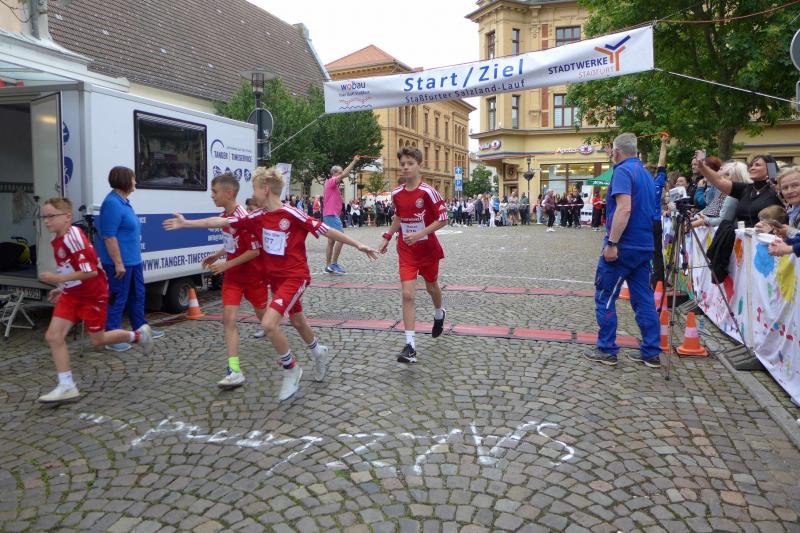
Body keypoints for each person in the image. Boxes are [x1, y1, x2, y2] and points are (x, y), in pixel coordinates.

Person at [164, 167, 379, 401]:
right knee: (297, 321)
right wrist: (186, 224)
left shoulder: (292, 214)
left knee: (268, 324)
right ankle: (319, 351)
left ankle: (291, 369)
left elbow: (327, 230)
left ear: (265, 189)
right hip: (275, 280)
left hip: (295, 277)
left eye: (254, 189)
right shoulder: (257, 216)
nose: (252, 194)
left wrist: (358, 244)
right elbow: (219, 221)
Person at [37, 198, 154, 403]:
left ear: (67, 217)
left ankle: (138, 336)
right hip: (73, 295)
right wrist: (61, 288)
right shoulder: (58, 238)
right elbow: (69, 268)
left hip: (93, 295)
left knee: (98, 340)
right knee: (54, 336)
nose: (46, 221)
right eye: (44, 217)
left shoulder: (74, 238)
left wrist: (57, 279)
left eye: (51, 216)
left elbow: (90, 271)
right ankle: (67, 386)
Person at [584, 132, 661, 368]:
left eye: (611, 153)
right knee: (644, 299)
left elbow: (624, 208)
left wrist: (612, 243)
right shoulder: (646, 174)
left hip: (624, 246)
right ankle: (651, 352)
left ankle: (606, 349)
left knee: (605, 296)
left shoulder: (622, 171)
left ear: (617, 153)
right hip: (644, 246)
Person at [194, 173, 270, 389]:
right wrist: (218, 255)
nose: (211, 195)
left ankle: (285, 354)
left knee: (266, 320)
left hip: (253, 277)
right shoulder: (224, 216)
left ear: (228, 193)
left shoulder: (243, 218)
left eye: (214, 191)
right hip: (233, 278)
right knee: (228, 319)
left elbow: (254, 251)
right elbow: (232, 243)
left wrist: (226, 264)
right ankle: (234, 370)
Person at [378, 147, 448, 364]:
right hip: (406, 250)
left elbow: (443, 219)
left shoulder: (428, 192)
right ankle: (410, 346)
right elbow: (399, 217)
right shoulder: (397, 193)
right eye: (403, 164)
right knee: (408, 295)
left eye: (410, 163)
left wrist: (419, 234)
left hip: (427, 250)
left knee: (431, 286)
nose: (406, 167)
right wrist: (387, 237)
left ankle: (439, 313)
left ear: (420, 165)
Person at [95, 166, 163, 352]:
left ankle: (141, 329)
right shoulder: (112, 203)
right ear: (124, 180)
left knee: (138, 295)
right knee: (118, 298)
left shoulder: (124, 202)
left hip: (133, 261)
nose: (135, 182)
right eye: (133, 179)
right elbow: (109, 236)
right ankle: (112, 335)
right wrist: (118, 263)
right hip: (119, 264)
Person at [697, 152, 782, 228]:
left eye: (757, 165)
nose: (752, 168)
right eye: (751, 165)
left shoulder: (777, 190)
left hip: (765, 238)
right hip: (741, 237)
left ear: (769, 168)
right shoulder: (745, 189)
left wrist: (773, 177)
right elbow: (719, 180)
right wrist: (701, 166)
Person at [323, 156, 360, 275]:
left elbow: (344, 174)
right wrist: (354, 161)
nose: (342, 174)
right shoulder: (331, 181)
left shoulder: (332, 185)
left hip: (329, 215)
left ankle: (328, 266)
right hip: (331, 215)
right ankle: (333, 264)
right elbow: (344, 174)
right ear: (334, 173)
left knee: (331, 241)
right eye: (339, 172)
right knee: (341, 238)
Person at [691, 161, 749, 229]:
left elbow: (722, 220)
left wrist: (705, 219)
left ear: (738, 176)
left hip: (728, 231)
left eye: (727, 174)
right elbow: (710, 206)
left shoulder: (733, 196)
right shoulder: (721, 191)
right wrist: (698, 216)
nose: (722, 176)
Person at [651, 135, 668, 289]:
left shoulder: (639, 184)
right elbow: (662, 162)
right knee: (657, 253)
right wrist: (663, 143)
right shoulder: (658, 181)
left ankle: (646, 279)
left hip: (645, 221)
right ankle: (658, 281)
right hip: (656, 221)